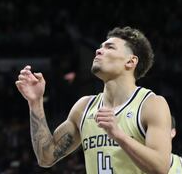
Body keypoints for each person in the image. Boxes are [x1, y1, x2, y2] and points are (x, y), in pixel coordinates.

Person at [16, 27, 173, 173]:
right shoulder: (84, 108)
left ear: (130, 62)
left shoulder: (151, 104)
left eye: (110, 47)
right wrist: (35, 102)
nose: (99, 50)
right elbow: (46, 157)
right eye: (101, 46)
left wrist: (118, 135)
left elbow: (161, 167)